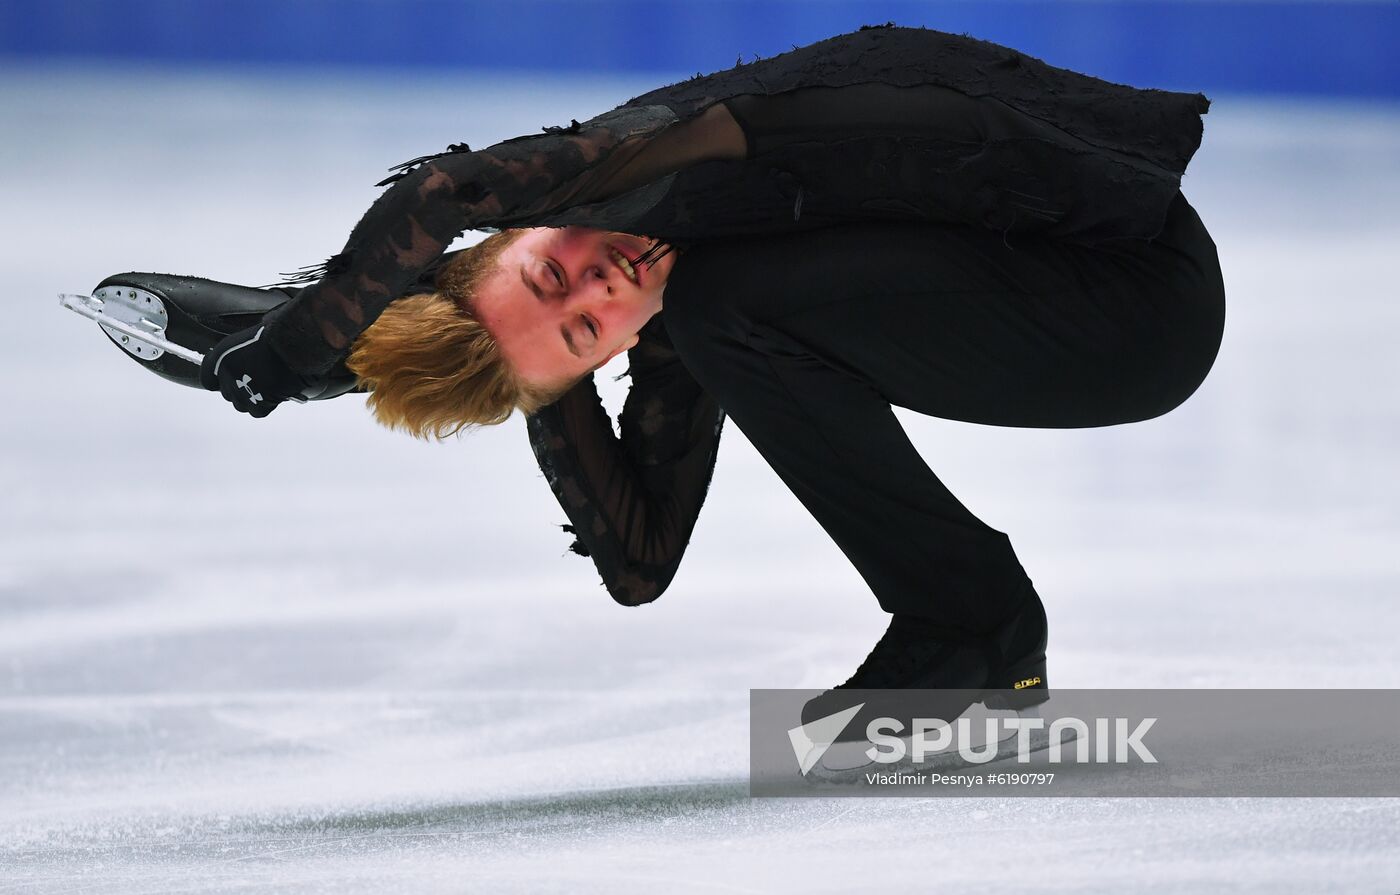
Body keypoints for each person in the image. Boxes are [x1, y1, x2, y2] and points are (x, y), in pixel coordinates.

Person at [110, 25, 1224, 715]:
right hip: (1078, 308)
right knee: (713, 313)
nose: (605, 286)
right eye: (587, 332)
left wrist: (300, 349)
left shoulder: (658, 156)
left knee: (715, 307)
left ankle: (971, 626)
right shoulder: (711, 298)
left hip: (1130, 290)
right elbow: (640, 560)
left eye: (556, 276)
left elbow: (442, 199)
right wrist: (537, 383)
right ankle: (970, 625)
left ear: (532, 227)